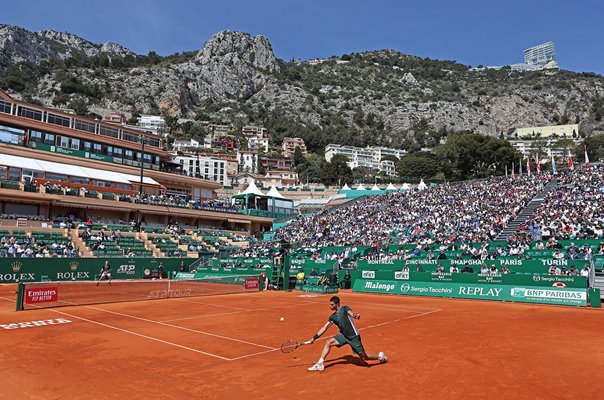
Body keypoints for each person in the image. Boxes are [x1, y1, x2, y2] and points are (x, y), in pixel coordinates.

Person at [307, 296, 387, 371]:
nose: (330, 306)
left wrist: (355, 316)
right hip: (344, 336)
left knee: (363, 357)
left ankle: (380, 357)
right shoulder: (333, 317)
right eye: (330, 304)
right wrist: (314, 338)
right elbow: (324, 328)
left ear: (337, 304)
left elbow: (351, 314)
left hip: (353, 337)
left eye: (332, 305)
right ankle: (320, 363)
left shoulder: (344, 308)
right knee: (328, 342)